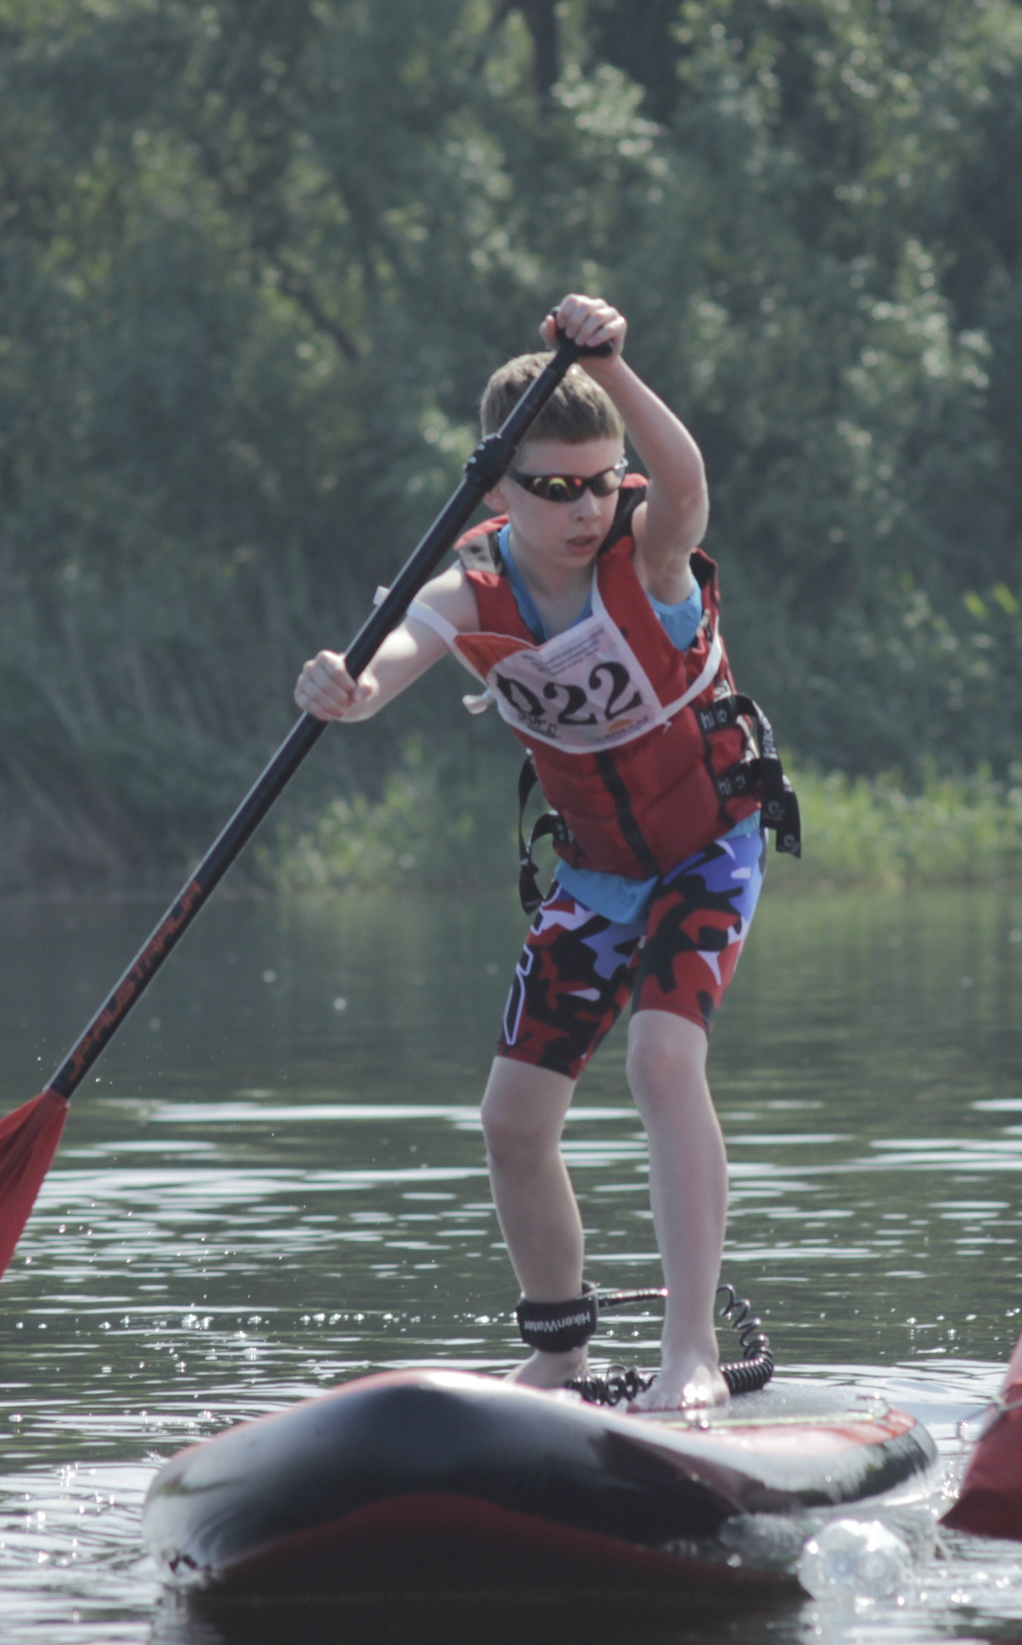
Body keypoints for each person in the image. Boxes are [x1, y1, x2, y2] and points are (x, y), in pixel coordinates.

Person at [294, 294, 794, 1410]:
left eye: (599, 481)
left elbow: (687, 479)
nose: (583, 508)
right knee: (511, 1119)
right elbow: (383, 673)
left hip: (708, 847)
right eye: (552, 487)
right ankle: (559, 1352)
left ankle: (691, 1355)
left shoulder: (650, 551)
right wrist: (339, 688)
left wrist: (615, 368)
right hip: (598, 876)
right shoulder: (461, 590)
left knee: (661, 1063)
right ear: (495, 488)